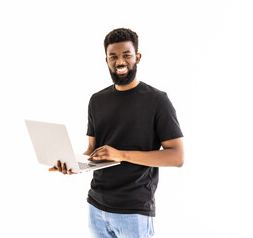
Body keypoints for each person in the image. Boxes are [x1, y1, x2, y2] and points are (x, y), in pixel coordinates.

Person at [49, 28, 184, 238]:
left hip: (133, 211)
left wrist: (121, 154)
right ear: (106, 60)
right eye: (113, 56)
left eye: (126, 55)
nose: (120, 62)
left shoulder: (158, 101)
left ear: (137, 57)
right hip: (96, 206)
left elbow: (177, 157)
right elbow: (92, 150)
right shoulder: (96, 100)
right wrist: (73, 165)